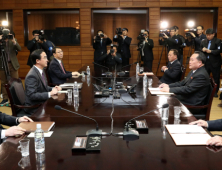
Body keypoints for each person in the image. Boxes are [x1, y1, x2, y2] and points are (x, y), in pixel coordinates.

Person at [24, 49, 61, 115]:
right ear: (37, 61)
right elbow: (32, 95)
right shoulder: (32, 75)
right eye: (45, 58)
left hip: (42, 103)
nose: (47, 60)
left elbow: (44, 87)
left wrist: (53, 88)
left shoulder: (41, 70)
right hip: (35, 108)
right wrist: (50, 94)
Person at [0, 29, 21, 106]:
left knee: (15, 82)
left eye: (8, 33)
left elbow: (19, 49)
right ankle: (5, 99)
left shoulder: (13, 40)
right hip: (2, 64)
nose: (7, 35)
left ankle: (15, 99)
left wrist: (14, 41)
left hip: (13, 64)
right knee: (4, 82)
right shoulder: (0, 41)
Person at [200, 28, 221, 97]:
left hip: (215, 62)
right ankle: (206, 91)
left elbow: (219, 51)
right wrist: (202, 49)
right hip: (206, 62)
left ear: (213, 34)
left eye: (209, 35)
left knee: (216, 77)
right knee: (205, 77)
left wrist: (211, 51)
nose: (208, 36)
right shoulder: (203, 41)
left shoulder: (218, 41)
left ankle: (215, 92)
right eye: (207, 35)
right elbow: (200, 49)